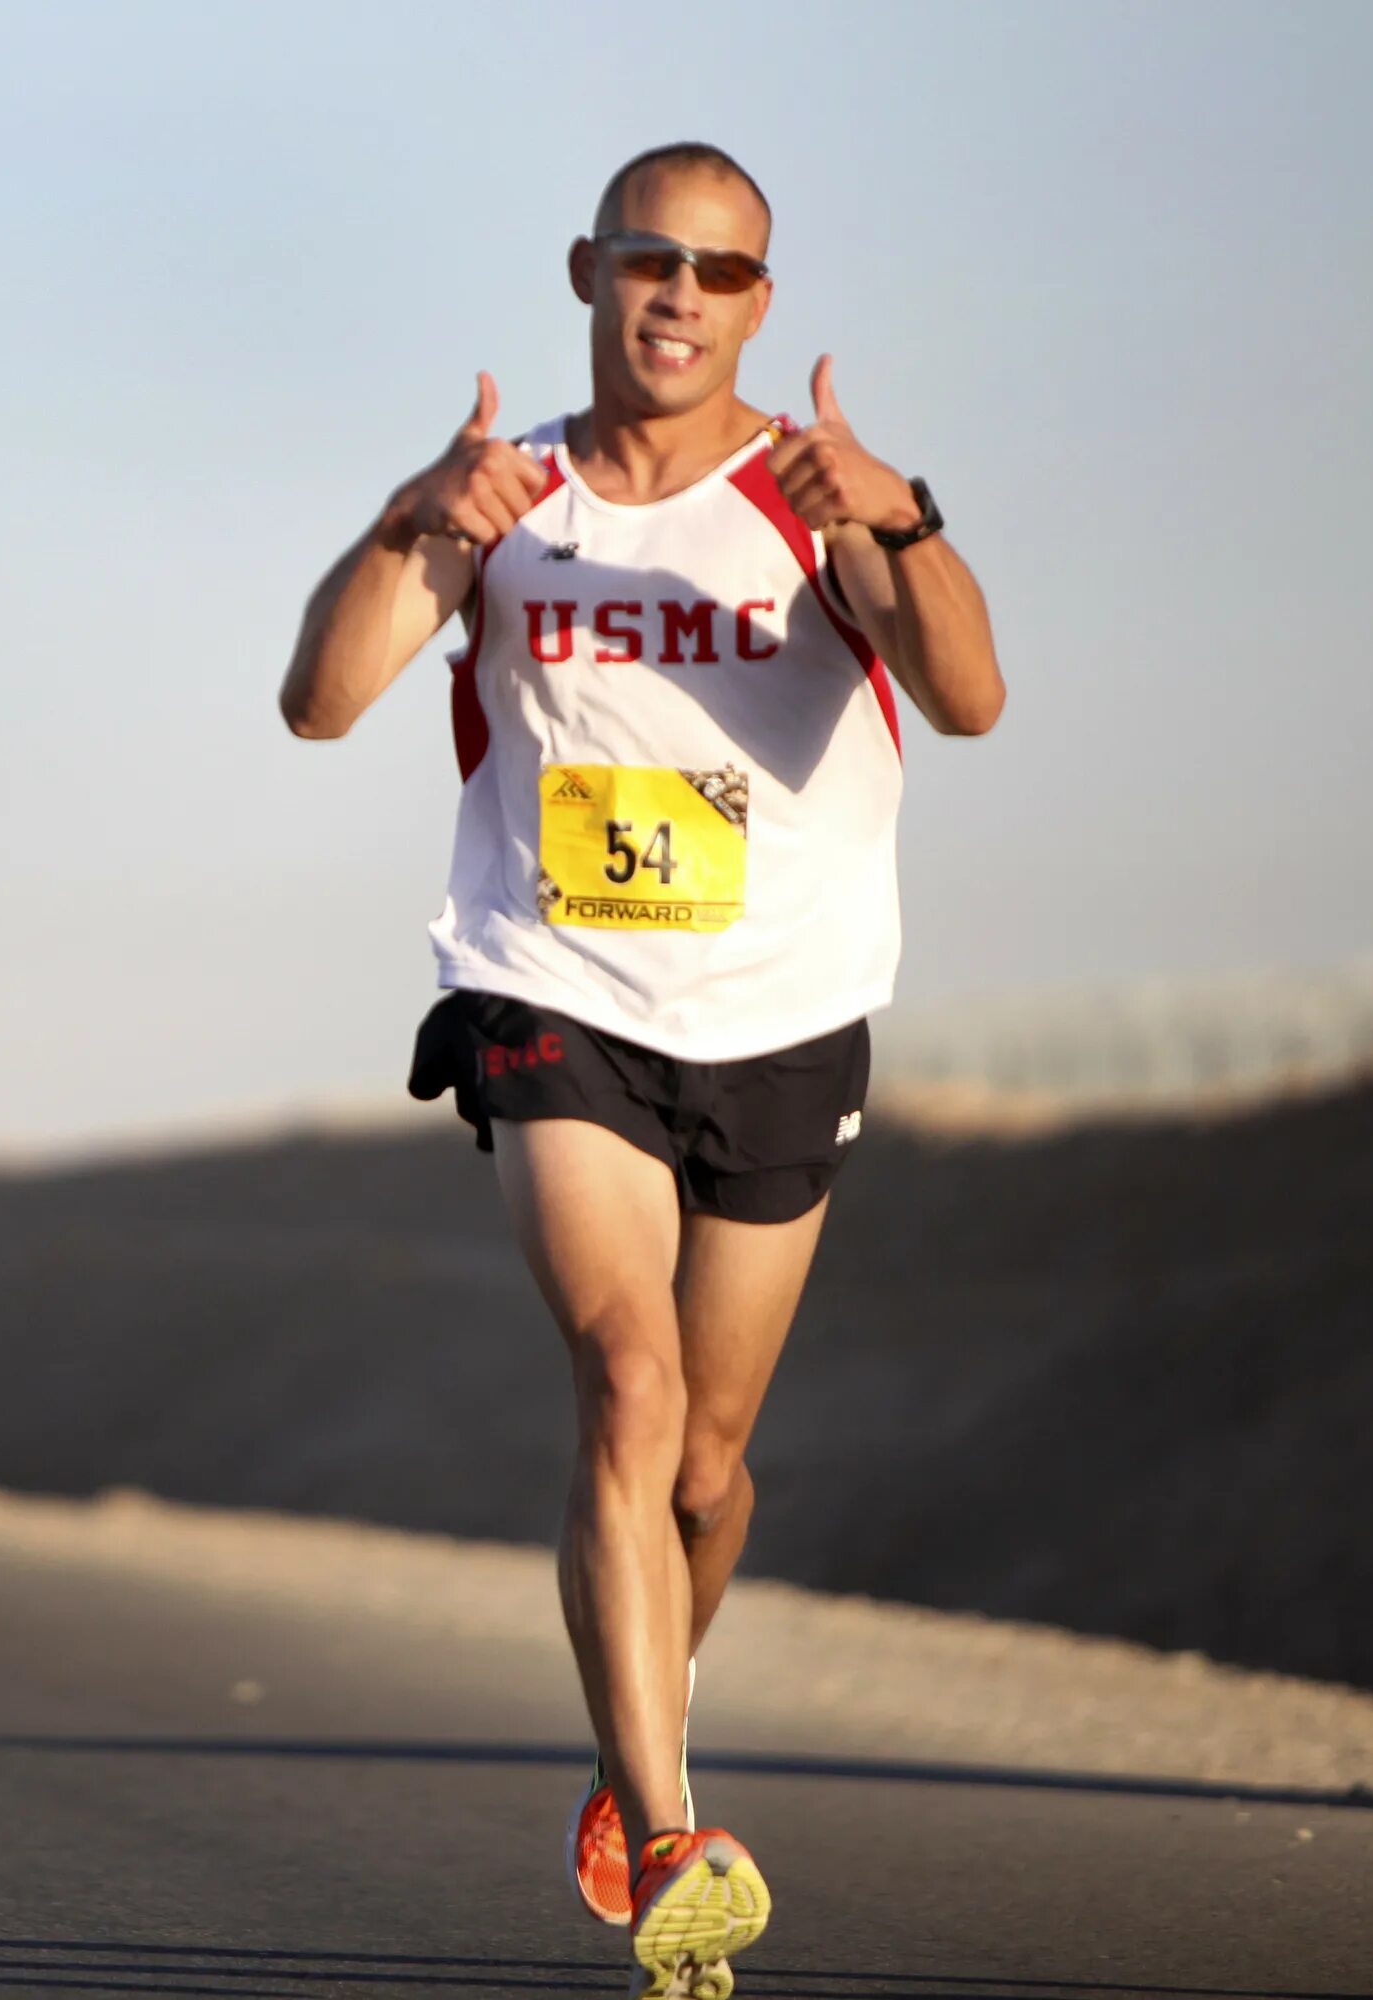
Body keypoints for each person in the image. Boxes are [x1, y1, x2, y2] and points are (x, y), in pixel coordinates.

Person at [277, 141, 1005, 1999]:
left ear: (762, 300)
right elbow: (322, 696)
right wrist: (410, 519)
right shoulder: (500, 501)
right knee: (624, 1375)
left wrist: (902, 520)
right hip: (553, 993)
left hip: (780, 1017)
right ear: (588, 273)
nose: (679, 293)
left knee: (705, 1472)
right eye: (646, 259)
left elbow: (975, 695)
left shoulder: (817, 495)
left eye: (721, 269)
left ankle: (639, 1728)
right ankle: (674, 1835)